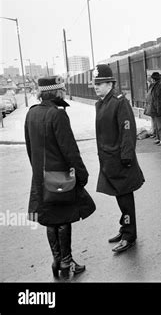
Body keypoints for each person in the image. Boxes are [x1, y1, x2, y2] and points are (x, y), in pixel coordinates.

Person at [25, 76, 96, 278]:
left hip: (40, 178)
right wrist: (81, 175)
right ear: (58, 92)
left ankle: (57, 259)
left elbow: (30, 148)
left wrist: (38, 171)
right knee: (64, 218)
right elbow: (70, 151)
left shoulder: (31, 114)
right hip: (61, 178)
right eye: (62, 90)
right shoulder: (58, 115)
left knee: (50, 219)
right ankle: (66, 261)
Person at [93, 64, 145, 253]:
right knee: (119, 196)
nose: (96, 87)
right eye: (95, 83)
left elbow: (127, 130)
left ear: (110, 84)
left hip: (121, 160)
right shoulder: (102, 103)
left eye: (100, 83)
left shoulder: (119, 102)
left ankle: (129, 235)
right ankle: (124, 228)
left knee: (125, 198)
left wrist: (126, 156)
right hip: (108, 160)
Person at [149, 72, 161, 146]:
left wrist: (158, 109)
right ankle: (160, 138)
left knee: (160, 124)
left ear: (153, 79)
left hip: (158, 108)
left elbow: (159, 100)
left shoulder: (158, 87)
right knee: (157, 124)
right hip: (156, 108)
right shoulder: (157, 86)